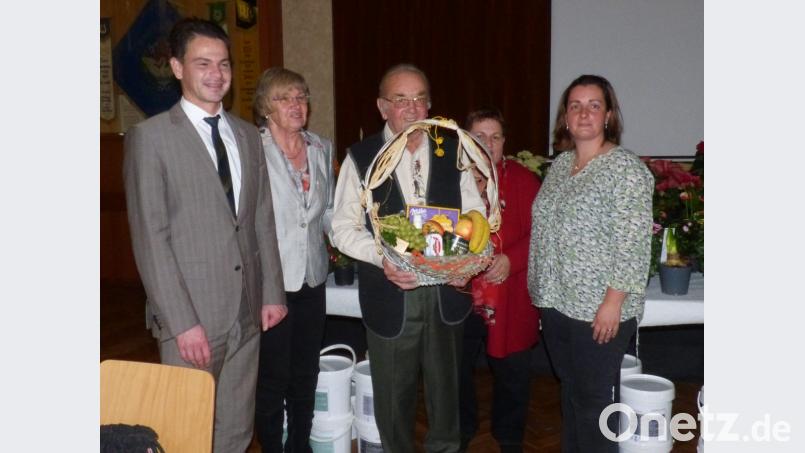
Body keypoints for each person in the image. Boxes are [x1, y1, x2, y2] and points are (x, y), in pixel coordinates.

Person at [123, 18, 287, 453]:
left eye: (224, 64)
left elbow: (261, 220)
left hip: (246, 311)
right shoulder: (150, 139)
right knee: (183, 429)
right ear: (177, 67)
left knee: (235, 427)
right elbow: (151, 239)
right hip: (191, 319)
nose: (216, 74)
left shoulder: (249, 136)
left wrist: (272, 291)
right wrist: (182, 323)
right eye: (203, 63)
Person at [331, 64, 485, 452]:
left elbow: (475, 215)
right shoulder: (362, 157)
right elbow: (342, 227)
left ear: (431, 104)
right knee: (393, 402)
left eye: (420, 98)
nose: (413, 108)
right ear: (383, 107)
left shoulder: (452, 148)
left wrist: (465, 262)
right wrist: (381, 256)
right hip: (390, 292)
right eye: (401, 100)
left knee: (447, 399)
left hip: (446, 294)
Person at [527, 74, 654, 452]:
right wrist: (543, 298)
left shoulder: (625, 170)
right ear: (565, 116)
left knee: (595, 404)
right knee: (572, 397)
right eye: (575, 105)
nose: (584, 113)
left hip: (598, 311)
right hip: (556, 305)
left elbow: (632, 243)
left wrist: (613, 303)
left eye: (593, 105)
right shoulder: (561, 165)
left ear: (608, 115)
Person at [251, 67, 335, 452]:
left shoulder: (321, 147)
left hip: (313, 278)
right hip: (272, 282)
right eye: (285, 98)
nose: (296, 105)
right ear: (266, 106)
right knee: (273, 377)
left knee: (306, 373)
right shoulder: (252, 148)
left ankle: (299, 444)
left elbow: (329, 213)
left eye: (301, 96)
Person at [459, 108, 541, 453]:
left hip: (510, 294)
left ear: (504, 142)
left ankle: (509, 434)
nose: (488, 143)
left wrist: (512, 259)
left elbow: (543, 235)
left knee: (513, 370)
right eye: (479, 136)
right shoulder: (449, 181)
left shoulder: (524, 180)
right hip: (459, 292)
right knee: (456, 367)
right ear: (466, 139)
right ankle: (461, 429)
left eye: (495, 137)